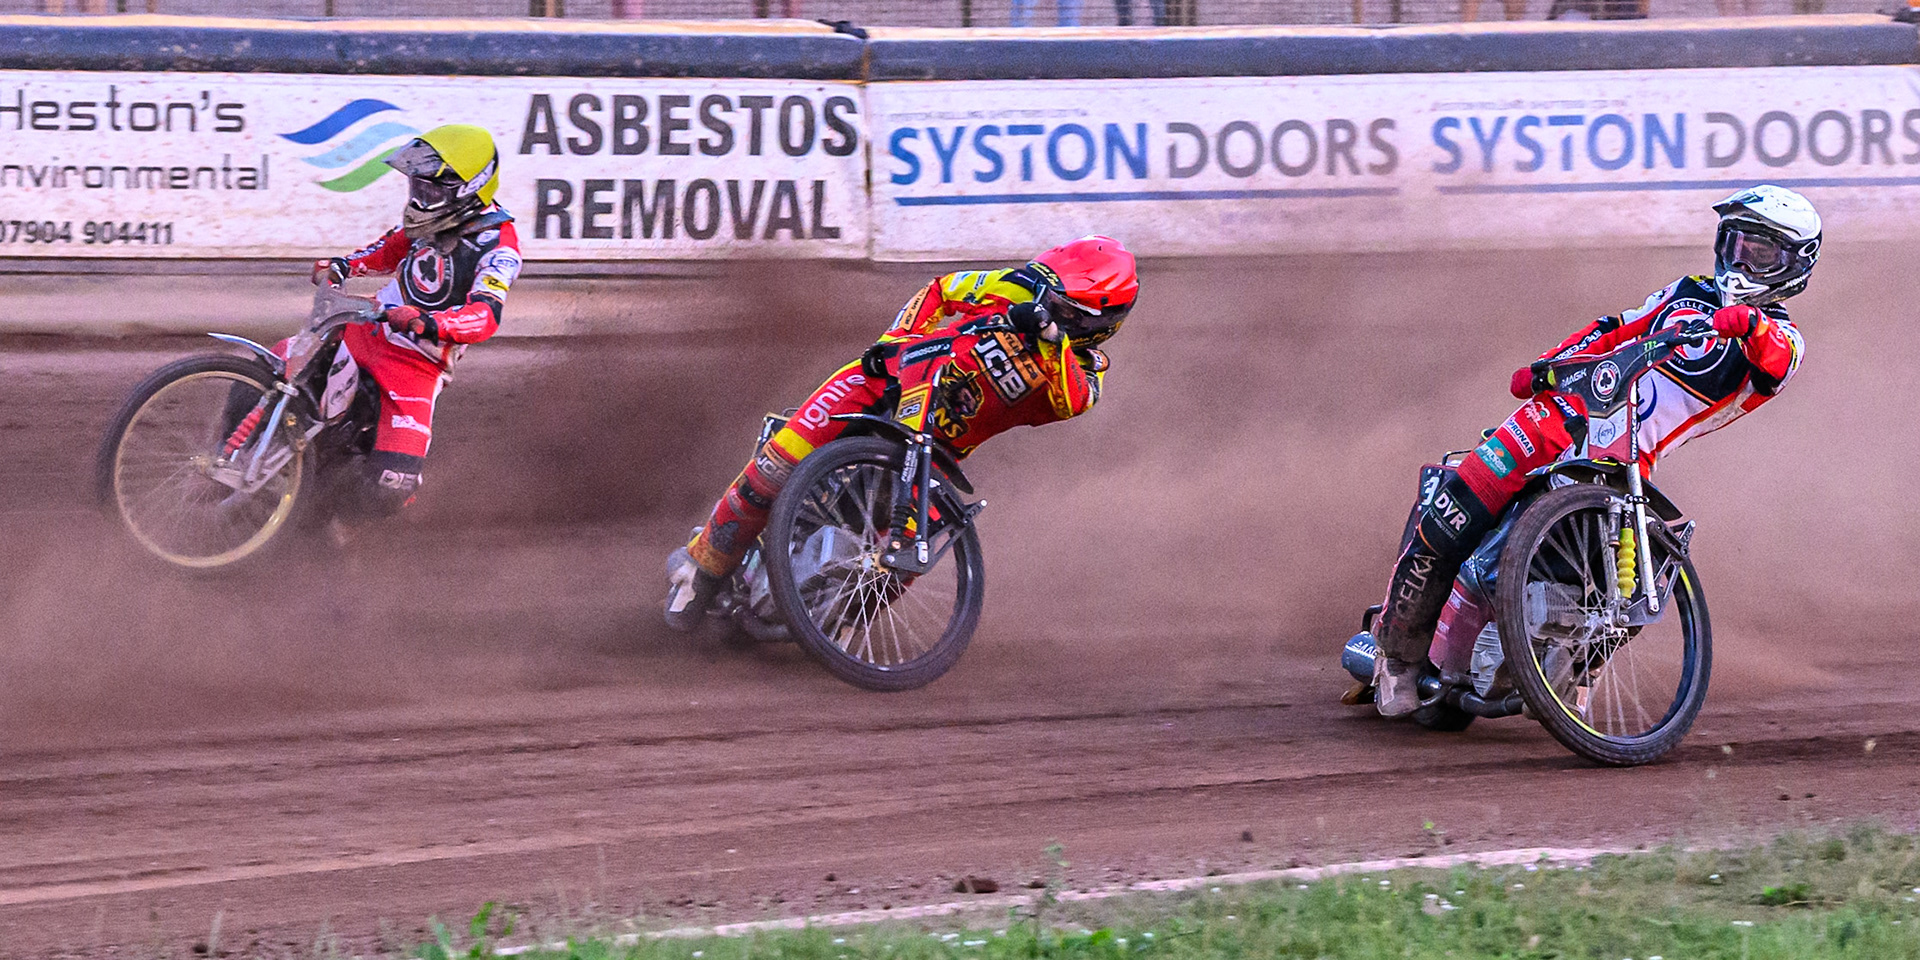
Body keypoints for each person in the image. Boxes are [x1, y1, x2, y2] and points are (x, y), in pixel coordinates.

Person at [1369, 184, 1818, 717]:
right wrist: (1547, 366)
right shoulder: (1688, 292)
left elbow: (1774, 360)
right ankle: (1396, 659)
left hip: (1622, 461)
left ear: (1794, 264)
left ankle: (1574, 670)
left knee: (1635, 574)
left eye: (1760, 252)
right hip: (1558, 415)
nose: (1741, 261)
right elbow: (1617, 329)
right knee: (1453, 513)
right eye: (1736, 244)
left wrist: (1747, 324)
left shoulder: (1786, 339)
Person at [664, 236, 1139, 630]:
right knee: (775, 468)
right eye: (1046, 293)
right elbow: (941, 290)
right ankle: (700, 569)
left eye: (1059, 305)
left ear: (1097, 323)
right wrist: (896, 338)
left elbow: (1072, 401)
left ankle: (829, 625)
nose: (1041, 303)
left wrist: (1051, 340)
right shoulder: (1015, 285)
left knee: (909, 553)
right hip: (878, 383)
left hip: (936, 450)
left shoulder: (1086, 369)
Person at [307, 124, 522, 522]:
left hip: (417, 364)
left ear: (468, 188)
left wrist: (428, 322)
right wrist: (343, 266)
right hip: (365, 328)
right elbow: (387, 251)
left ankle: (326, 525)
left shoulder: (498, 247)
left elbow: (485, 315)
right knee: (274, 370)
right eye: (417, 187)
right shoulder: (424, 221)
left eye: (432, 191)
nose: (421, 199)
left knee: (392, 487)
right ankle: (228, 464)